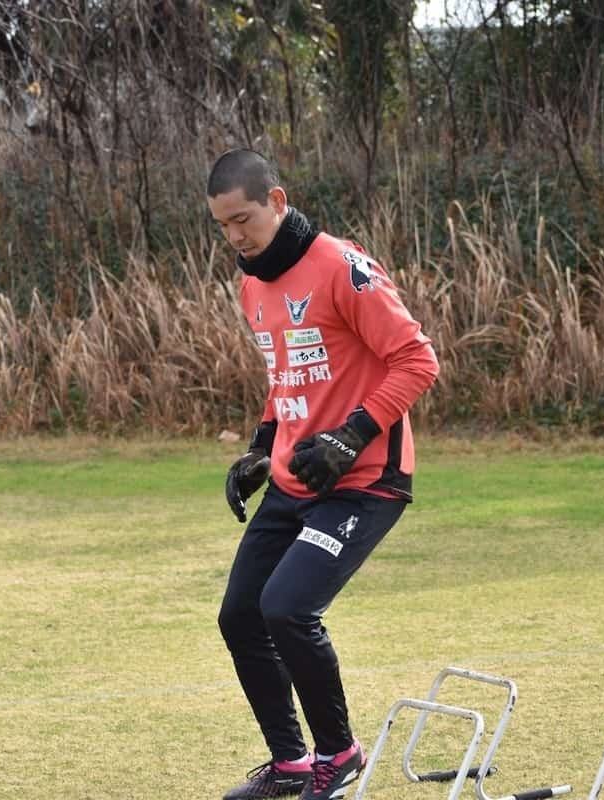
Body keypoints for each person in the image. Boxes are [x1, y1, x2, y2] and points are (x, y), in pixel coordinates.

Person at [208, 149, 440, 800]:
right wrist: (259, 448)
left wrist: (352, 435)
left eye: (244, 219)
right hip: (295, 475)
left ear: (277, 201)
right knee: (240, 616)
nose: (234, 236)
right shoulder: (252, 284)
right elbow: (290, 376)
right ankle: (290, 764)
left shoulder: (342, 266)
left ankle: (338, 755)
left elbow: (417, 362)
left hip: (366, 478)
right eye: (222, 225)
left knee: (287, 608)